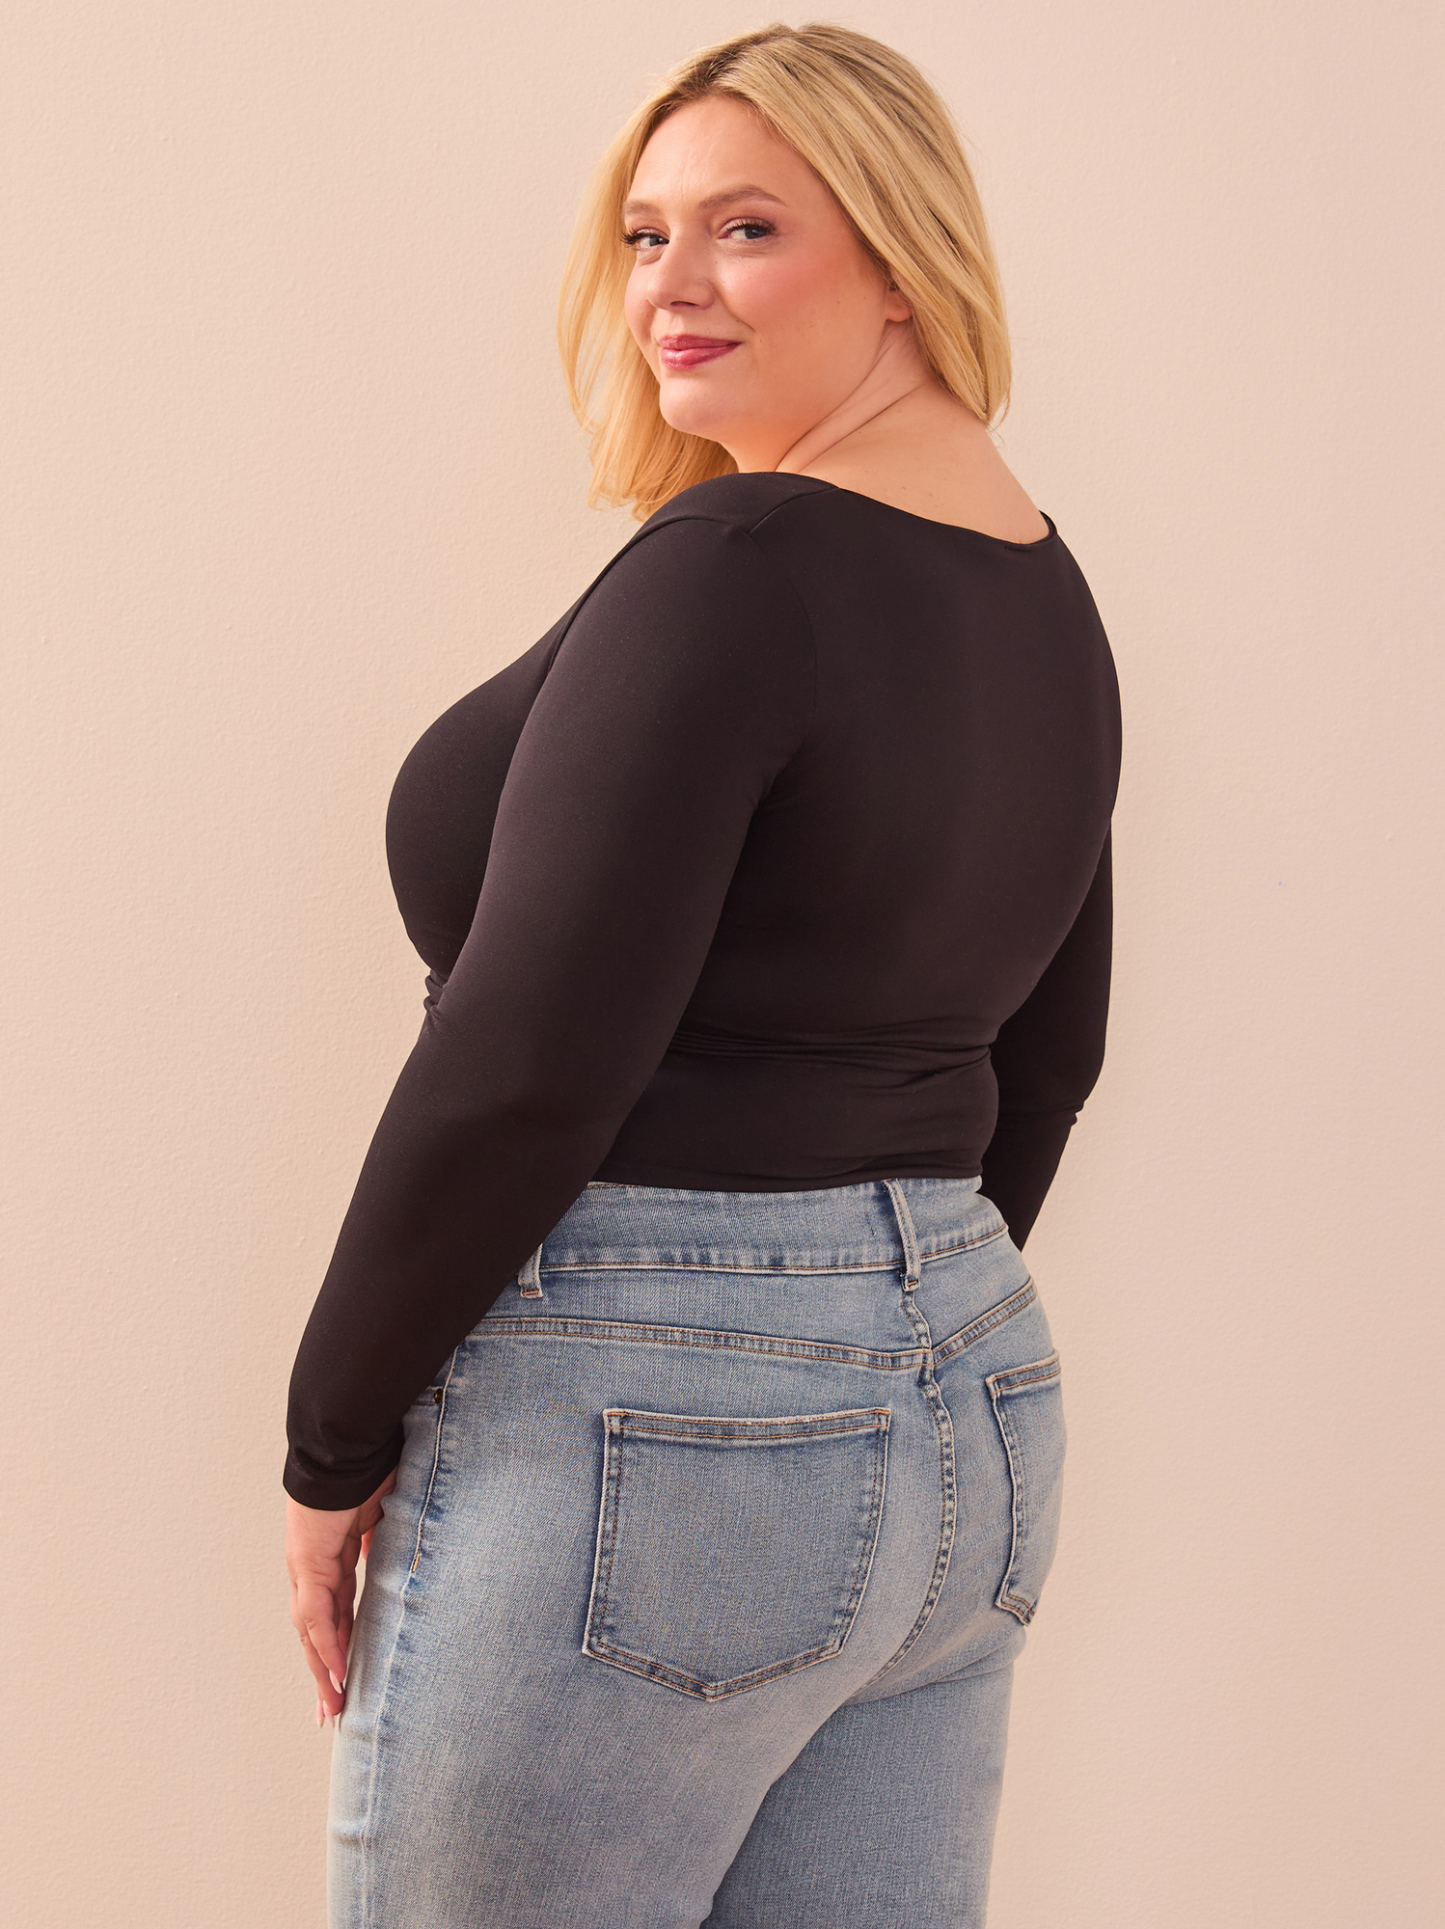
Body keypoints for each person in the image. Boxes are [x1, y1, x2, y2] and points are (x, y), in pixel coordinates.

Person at [283, 22, 1121, 1928]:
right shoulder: (1038, 582)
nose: (671, 285)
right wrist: (876, 1337)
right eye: (645, 235)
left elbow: (526, 1059)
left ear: (898, 259)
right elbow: (1050, 1051)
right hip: (972, 1412)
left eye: (746, 229)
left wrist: (331, 1440)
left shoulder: (737, 558)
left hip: (654, 1406)